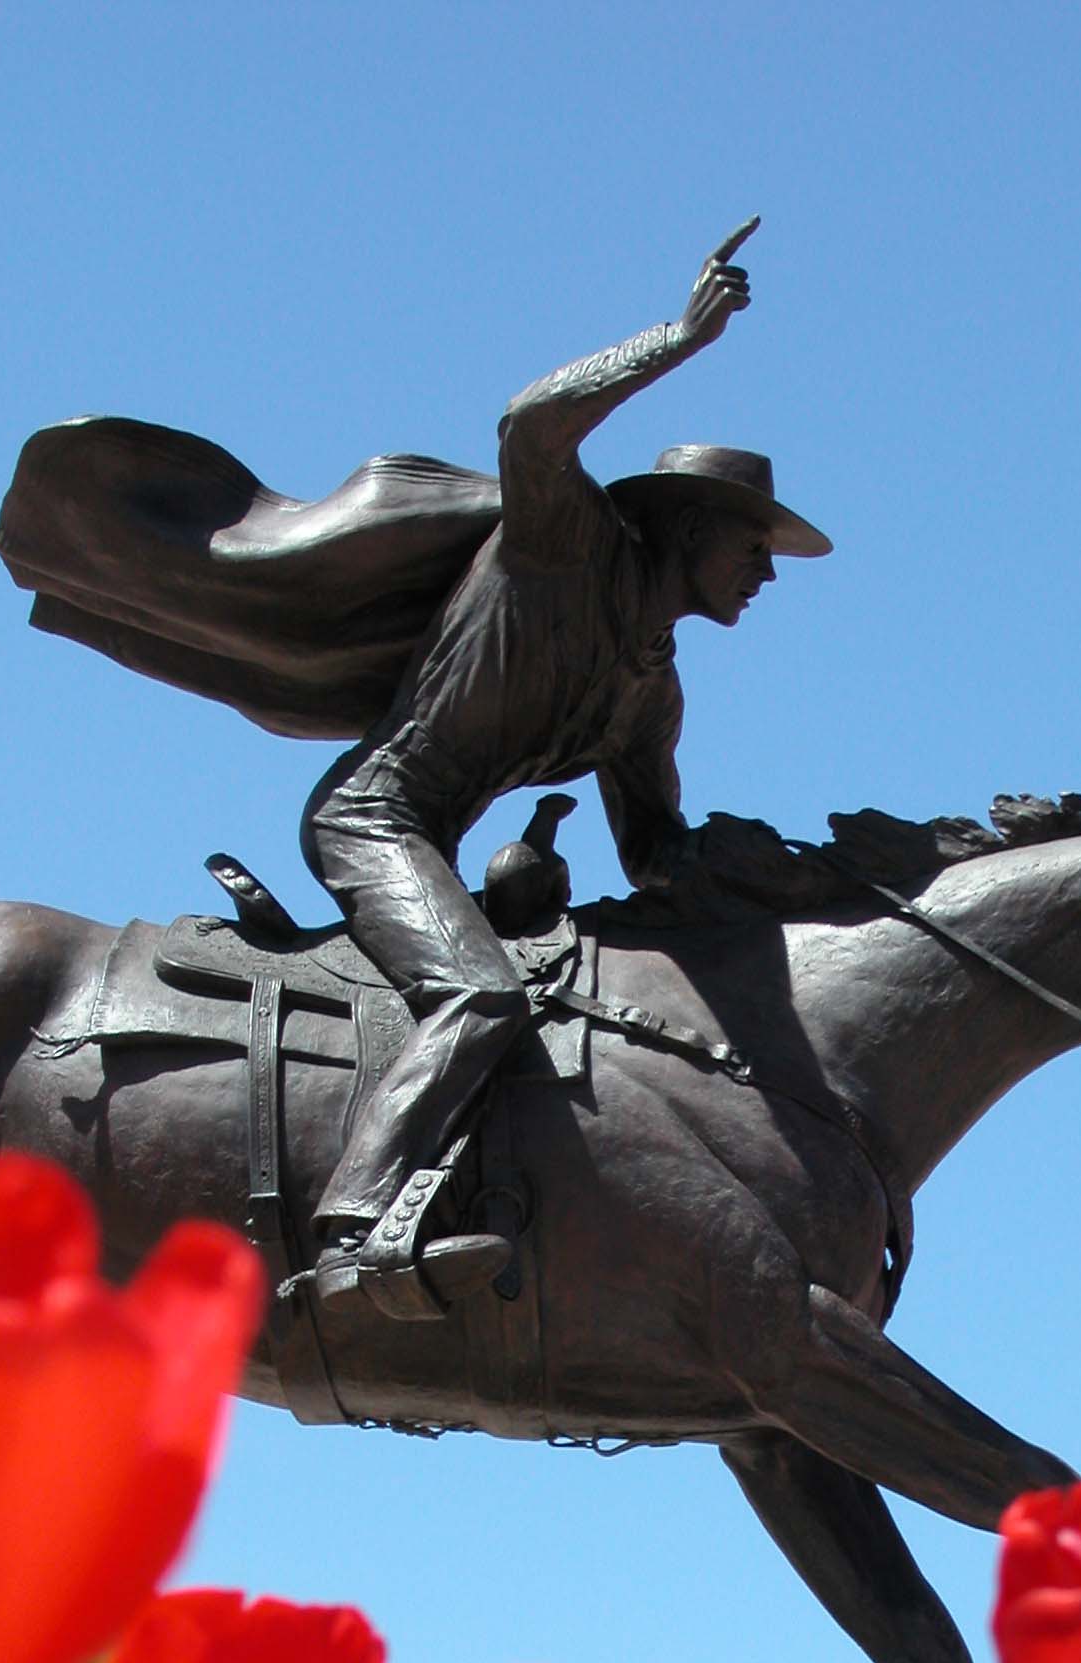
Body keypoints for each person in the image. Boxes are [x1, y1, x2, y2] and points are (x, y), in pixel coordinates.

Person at [297, 219, 831, 1315]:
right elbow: (530, 425)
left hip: (443, 843)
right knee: (481, 996)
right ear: (687, 529)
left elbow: (657, 856)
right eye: (753, 549)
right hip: (376, 818)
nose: (766, 576)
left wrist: (805, 888)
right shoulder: (564, 546)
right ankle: (355, 1231)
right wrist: (679, 340)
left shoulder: (652, 691)